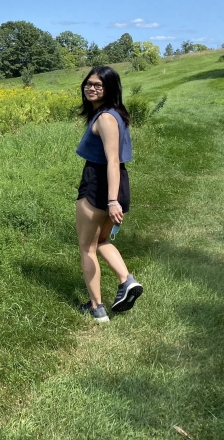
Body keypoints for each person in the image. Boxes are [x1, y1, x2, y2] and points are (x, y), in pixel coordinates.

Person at [75, 66, 143, 323]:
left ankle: (96, 308)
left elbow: (112, 160)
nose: (91, 88)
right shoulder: (115, 114)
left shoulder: (105, 118)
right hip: (118, 183)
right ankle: (127, 281)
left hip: (99, 183)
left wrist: (111, 200)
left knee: (86, 247)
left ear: (109, 89)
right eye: (89, 83)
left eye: (98, 85)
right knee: (101, 241)